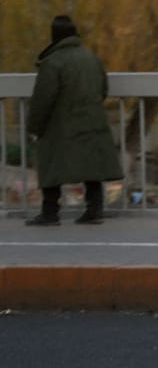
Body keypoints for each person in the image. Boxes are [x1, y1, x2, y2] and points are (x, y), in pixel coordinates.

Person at [25, 16, 123, 226]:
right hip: (92, 120)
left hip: (61, 124)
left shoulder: (52, 62)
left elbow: (43, 100)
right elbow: (103, 89)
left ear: (54, 37)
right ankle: (94, 210)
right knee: (92, 166)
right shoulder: (91, 58)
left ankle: (50, 212)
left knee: (51, 163)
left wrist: (34, 127)